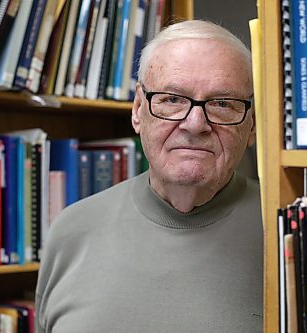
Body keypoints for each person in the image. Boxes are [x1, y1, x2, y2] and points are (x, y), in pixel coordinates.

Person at [35, 20, 263, 332]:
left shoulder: (293, 232)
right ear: (138, 109)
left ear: (251, 125)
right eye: (172, 99)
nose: (195, 124)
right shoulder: (70, 232)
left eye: (222, 103)